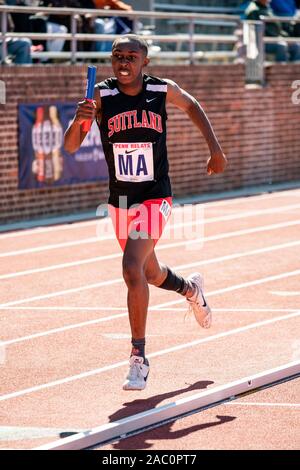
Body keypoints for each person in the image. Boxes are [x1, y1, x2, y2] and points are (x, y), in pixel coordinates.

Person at [64, 35, 227, 391]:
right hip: (121, 200)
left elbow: (192, 105)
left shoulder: (161, 90)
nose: (124, 61)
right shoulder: (101, 97)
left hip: (156, 196)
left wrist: (214, 147)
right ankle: (190, 289)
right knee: (150, 273)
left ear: (145, 62)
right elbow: (71, 146)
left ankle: (138, 358)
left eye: (131, 56)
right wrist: (79, 120)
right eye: (118, 56)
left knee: (130, 267)